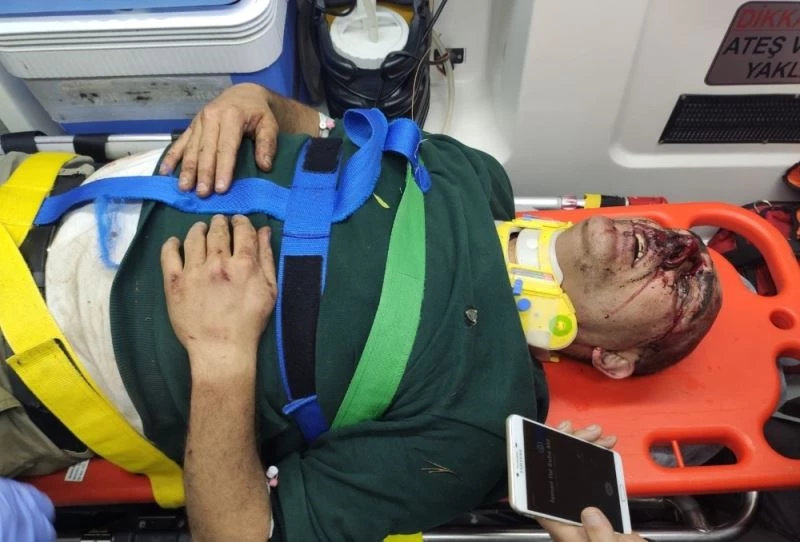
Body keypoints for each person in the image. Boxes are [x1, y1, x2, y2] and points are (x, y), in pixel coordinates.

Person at [0, 83, 721, 541]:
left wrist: (221, 357)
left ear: (615, 359)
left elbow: (240, 535)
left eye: (685, 286)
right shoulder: (475, 174)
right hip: (38, 202)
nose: (675, 250)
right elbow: (313, 126)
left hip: (31, 355)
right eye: (683, 243)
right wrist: (254, 101)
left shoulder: (475, 424)